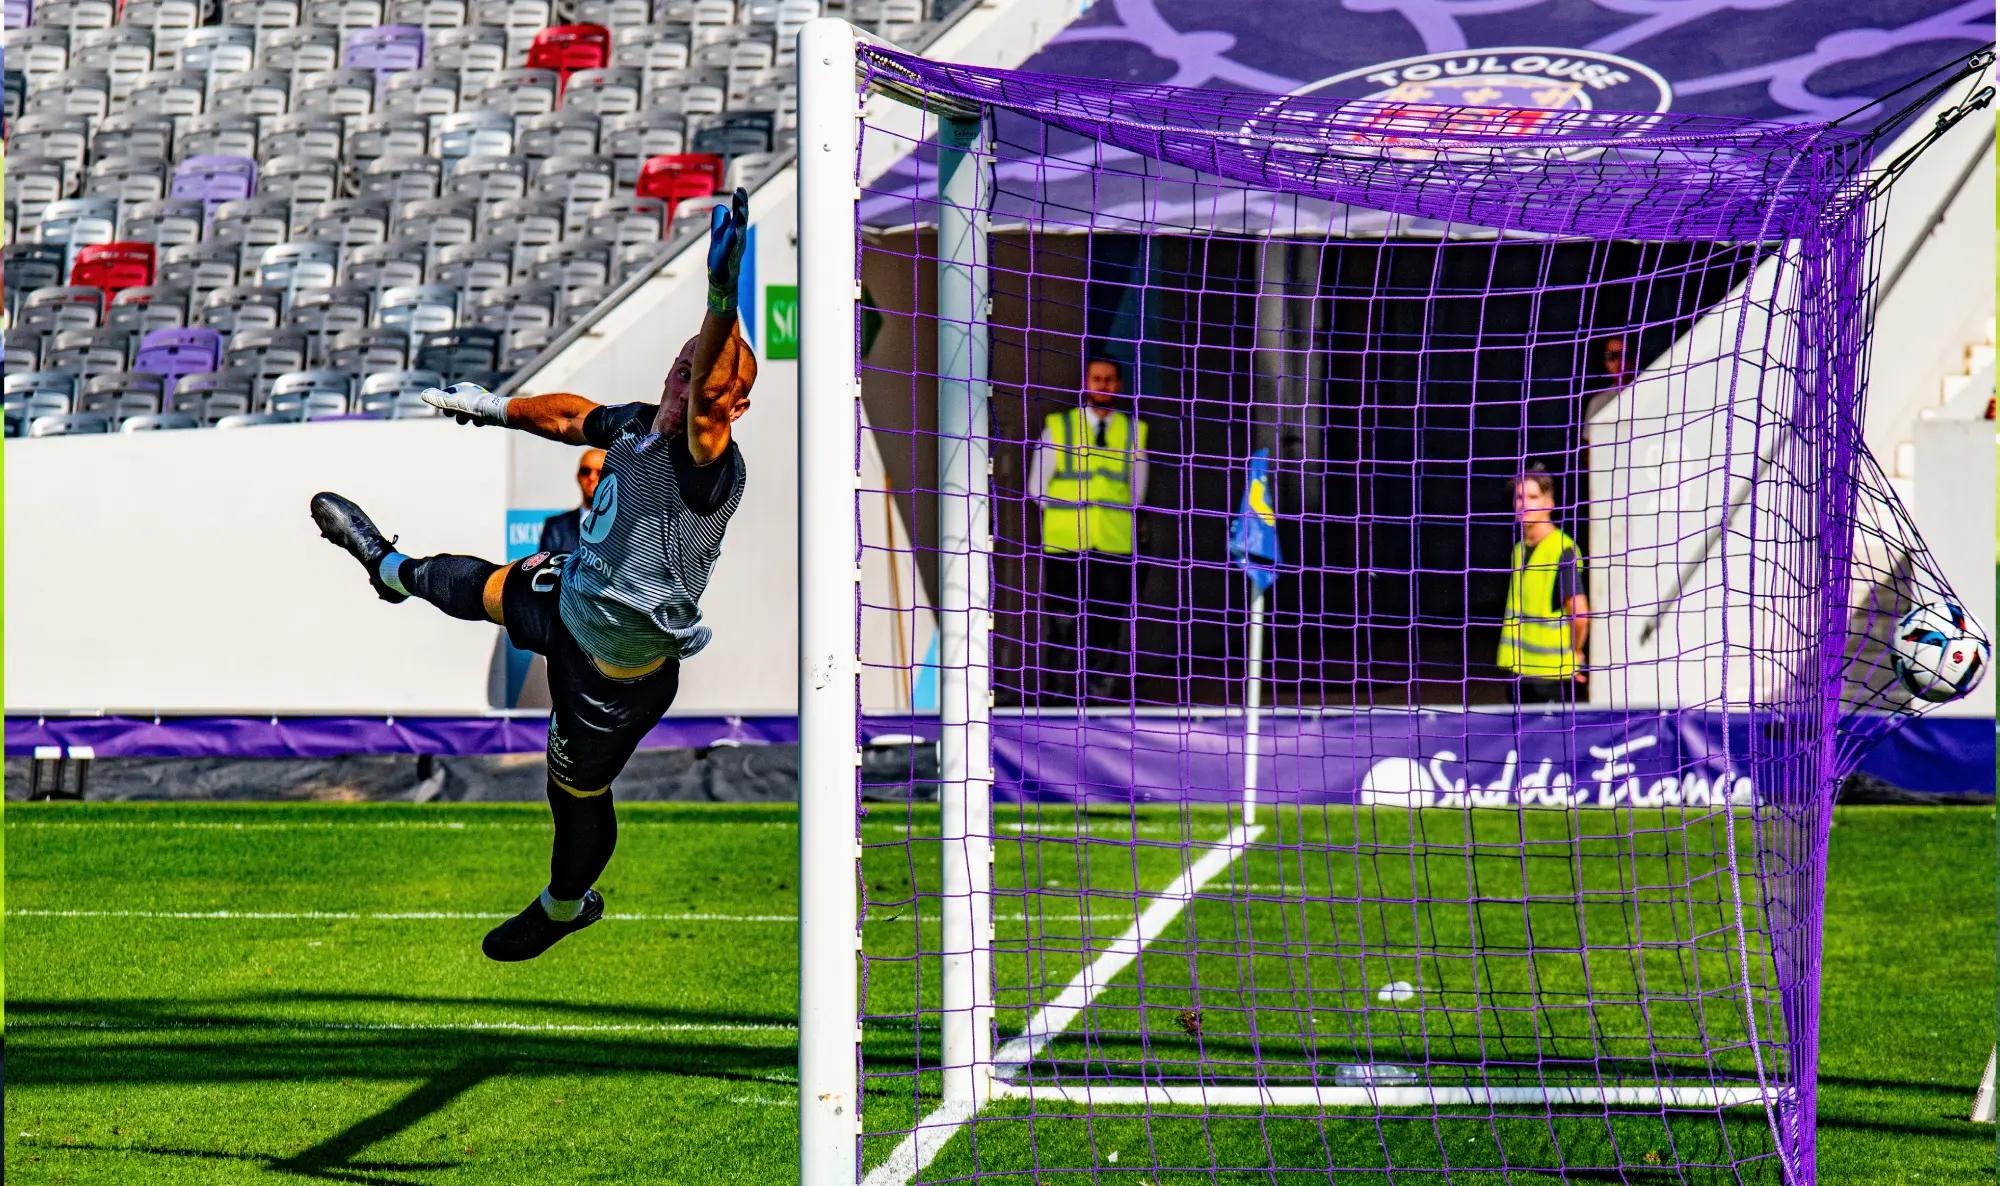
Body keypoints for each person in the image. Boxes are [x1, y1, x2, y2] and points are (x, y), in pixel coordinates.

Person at [307, 189, 755, 962]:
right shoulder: (639, 424)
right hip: (573, 591)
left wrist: (722, 294)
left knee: (573, 795)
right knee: (484, 584)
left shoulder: (707, 463)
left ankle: (564, 905)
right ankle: (388, 567)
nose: (689, 384)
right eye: (683, 368)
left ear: (734, 408)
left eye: (706, 381)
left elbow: (711, 393)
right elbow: (568, 417)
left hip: (615, 670)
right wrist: (495, 407)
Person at [1027, 356, 1149, 701]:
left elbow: (1136, 492)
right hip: (1066, 545)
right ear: (1086, 382)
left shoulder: (1132, 431)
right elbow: (1037, 488)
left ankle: (1099, 700)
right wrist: (1075, 510)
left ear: (1119, 385)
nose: (1103, 385)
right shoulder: (1059, 427)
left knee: (1106, 626)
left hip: (1112, 545)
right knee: (1064, 626)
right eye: (1096, 379)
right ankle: (1058, 701)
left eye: (1110, 379)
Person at [1498, 464, 1588, 706]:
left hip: (1550, 677)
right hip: (1518, 672)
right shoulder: (1519, 551)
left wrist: (1575, 653)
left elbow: (1579, 614)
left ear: (1549, 502)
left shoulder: (1561, 550)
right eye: (1519, 497)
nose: (1524, 504)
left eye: (1533, 497)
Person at [539, 448, 606, 555]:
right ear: (578, 476)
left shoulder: (627, 526)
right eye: (585, 471)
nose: (592, 477)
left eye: (600, 472)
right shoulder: (556, 528)